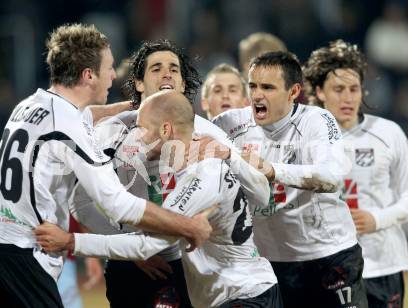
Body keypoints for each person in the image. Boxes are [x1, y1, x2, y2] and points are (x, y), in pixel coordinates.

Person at [0, 24, 212, 308]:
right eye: (108, 67)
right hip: (22, 258)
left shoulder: (30, 105)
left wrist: (127, 108)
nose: (113, 75)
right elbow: (118, 205)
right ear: (88, 75)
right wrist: (187, 227)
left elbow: (80, 117)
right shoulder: (71, 127)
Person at [35, 90, 282, 308]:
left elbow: (146, 245)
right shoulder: (200, 163)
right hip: (233, 293)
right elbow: (261, 193)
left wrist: (70, 241)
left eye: (141, 128)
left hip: (243, 294)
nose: (137, 136)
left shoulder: (201, 176)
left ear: (165, 129)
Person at [83, 39, 269, 308]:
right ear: (138, 83)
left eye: (174, 69)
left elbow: (259, 191)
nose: (167, 73)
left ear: (183, 84)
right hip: (129, 264)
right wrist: (130, 249)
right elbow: (83, 198)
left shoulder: (207, 134)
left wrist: (231, 157)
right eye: (156, 69)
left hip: (187, 263)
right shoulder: (111, 132)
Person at [212, 51, 368, 308]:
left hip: (329, 256)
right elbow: (184, 128)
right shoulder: (230, 125)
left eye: (268, 87)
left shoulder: (317, 120)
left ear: (293, 91)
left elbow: (331, 177)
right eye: (253, 86)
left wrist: (272, 169)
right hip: (270, 262)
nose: (257, 95)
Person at [303, 39, 408, 308]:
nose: (348, 97)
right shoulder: (305, 139)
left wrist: (377, 218)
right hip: (327, 266)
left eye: (354, 89)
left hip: (383, 264)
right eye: (338, 89)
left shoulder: (388, 134)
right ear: (319, 91)